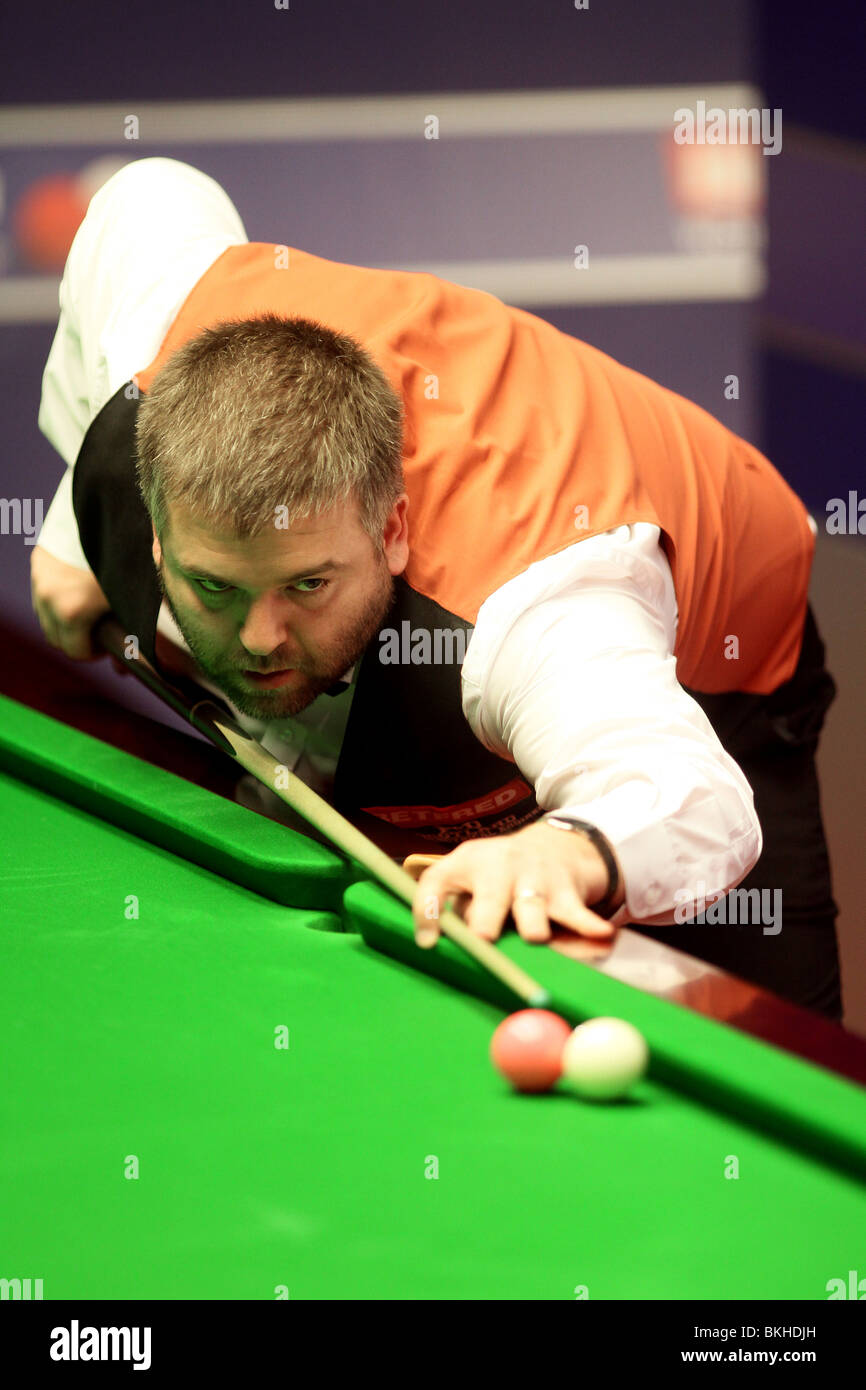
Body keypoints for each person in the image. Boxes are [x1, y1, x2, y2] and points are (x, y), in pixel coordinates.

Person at [31, 157, 842, 1018]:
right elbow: (149, 191)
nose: (261, 635)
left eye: (307, 583)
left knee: (764, 1029)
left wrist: (566, 852)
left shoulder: (538, 612)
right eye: (215, 587)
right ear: (157, 530)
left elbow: (693, 798)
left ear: (392, 532)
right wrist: (76, 546)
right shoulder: (143, 362)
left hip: (718, 654)